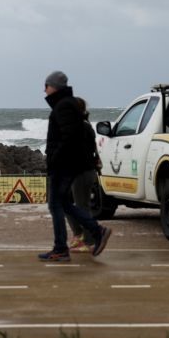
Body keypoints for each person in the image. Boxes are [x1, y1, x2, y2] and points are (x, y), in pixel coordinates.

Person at [40, 71, 112, 262]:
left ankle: (79, 240)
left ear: (54, 86)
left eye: (46, 85)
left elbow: (68, 138)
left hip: (63, 166)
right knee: (61, 204)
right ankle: (80, 238)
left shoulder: (63, 106)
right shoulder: (67, 105)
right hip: (67, 165)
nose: (44, 90)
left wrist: (54, 159)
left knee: (56, 204)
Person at [67, 97, 101, 252]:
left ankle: (90, 241)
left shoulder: (81, 126)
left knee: (82, 207)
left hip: (82, 172)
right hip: (77, 171)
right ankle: (79, 234)